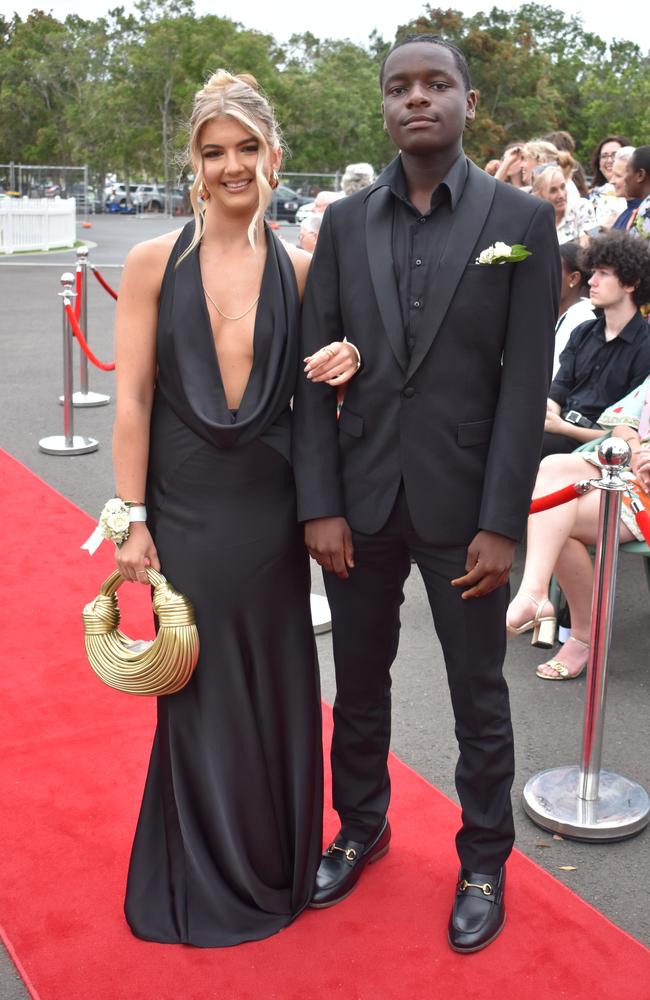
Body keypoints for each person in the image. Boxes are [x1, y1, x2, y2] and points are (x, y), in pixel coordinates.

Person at [292, 33, 561, 953]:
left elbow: (525, 384)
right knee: (359, 684)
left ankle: (484, 857)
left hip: (465, 510)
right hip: (359, 503)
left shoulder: (521, 221)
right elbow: (311, 374)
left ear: (468, 102)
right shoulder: (345, 223)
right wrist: (319, 503)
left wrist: (501, 523)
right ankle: (360, 824)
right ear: (383, 106)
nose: (418, 98)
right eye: (400, 86)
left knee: (477, 692)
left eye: (435, 84)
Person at [111, 69, 360, 948]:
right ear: (193, 161)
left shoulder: (301, 269)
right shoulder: (151, 262)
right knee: (199, 681)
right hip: (183, 506)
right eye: (213, 151)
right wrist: (129, 518)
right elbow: (133, 399)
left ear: (274, 156)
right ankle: (203, 866)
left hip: (270, 508)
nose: (230, 166)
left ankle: (272, 858)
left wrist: (348, 360)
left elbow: (329, 391)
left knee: (275, 677)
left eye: (245, 148)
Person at [507, 375, 650, 680]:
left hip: (641, 490)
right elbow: (623, 421)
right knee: (551, 467)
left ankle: (577, 632)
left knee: (558, 516)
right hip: (631, 468)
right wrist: (637, 451)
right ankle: (535, 592)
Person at [542, 231, 650, 458]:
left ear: (631, 283)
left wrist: (563, 428)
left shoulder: (645, 347)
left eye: (603, 273)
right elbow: (558, 391)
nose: (591, 281)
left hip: (602, 451)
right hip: (559, 432)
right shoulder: (582, 333)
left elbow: (628, 432)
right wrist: (549, 412)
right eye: (593, 272)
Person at [553, 241, 595, 375]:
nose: (546, 277)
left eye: (553, 270)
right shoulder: (553, 314)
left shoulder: (584, 320)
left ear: (573, 278)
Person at [531, 163, 596, 244]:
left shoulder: (582, 206)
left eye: (563, 187)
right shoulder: (535, 221)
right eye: (553, 191)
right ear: (539, 195)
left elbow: (591, 243)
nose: (561, 195)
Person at [589, 134, 631, 226]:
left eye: (614, 155)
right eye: (604, 156)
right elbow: (585, 238)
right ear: (598, 164)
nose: (609, 160)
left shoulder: (636, 197)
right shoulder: (588, 199)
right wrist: (603, 228)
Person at [610, 147, 640, 231]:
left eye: (618, 176)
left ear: (639, 176)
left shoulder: (642, 215)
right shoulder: (626, 213)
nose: (612, 181)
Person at [624, 145, 650, 241]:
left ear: (640, 175)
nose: (624, 178)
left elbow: (632, 254)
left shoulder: (647, 209)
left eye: (627, 171)